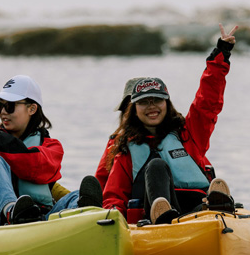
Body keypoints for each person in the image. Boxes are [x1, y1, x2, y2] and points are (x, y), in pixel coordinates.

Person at [101, 24, 238, 225]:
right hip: (153, 218)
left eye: (157, 100)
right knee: (156, 165)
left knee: (203, 207)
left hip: (195, 212)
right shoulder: (125, 150)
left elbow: (207, 102)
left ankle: (217, 207)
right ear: (134, 109)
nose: (151, 107)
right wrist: (113, 223)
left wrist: (221, 54)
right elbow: (114, 196)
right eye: (144, 102)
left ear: (167, 103)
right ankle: (163, 214)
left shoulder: (189, 133)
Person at [0, 75, 102, 227]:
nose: (2, 112)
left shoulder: (51, 147)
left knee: (76, 196)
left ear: (32, 109)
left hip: (39, 218)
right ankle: (12, 211)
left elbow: (28, 162)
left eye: (9, 106)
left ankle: (83, 215)